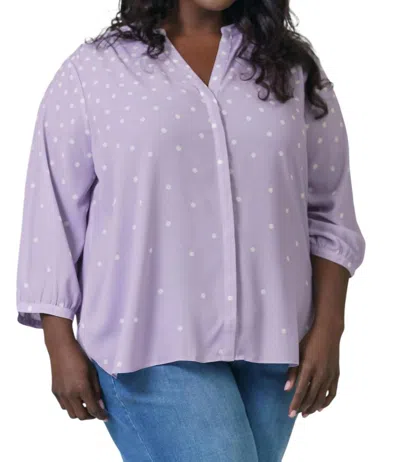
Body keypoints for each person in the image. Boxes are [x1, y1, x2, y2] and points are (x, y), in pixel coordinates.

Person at [15, 1, 366, 461]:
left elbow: (329, 209)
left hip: (275, 345)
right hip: (147, 344)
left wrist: (329, 328)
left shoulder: (291, 69)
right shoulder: (95, 70)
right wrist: (57, 340)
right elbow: (53, 210)